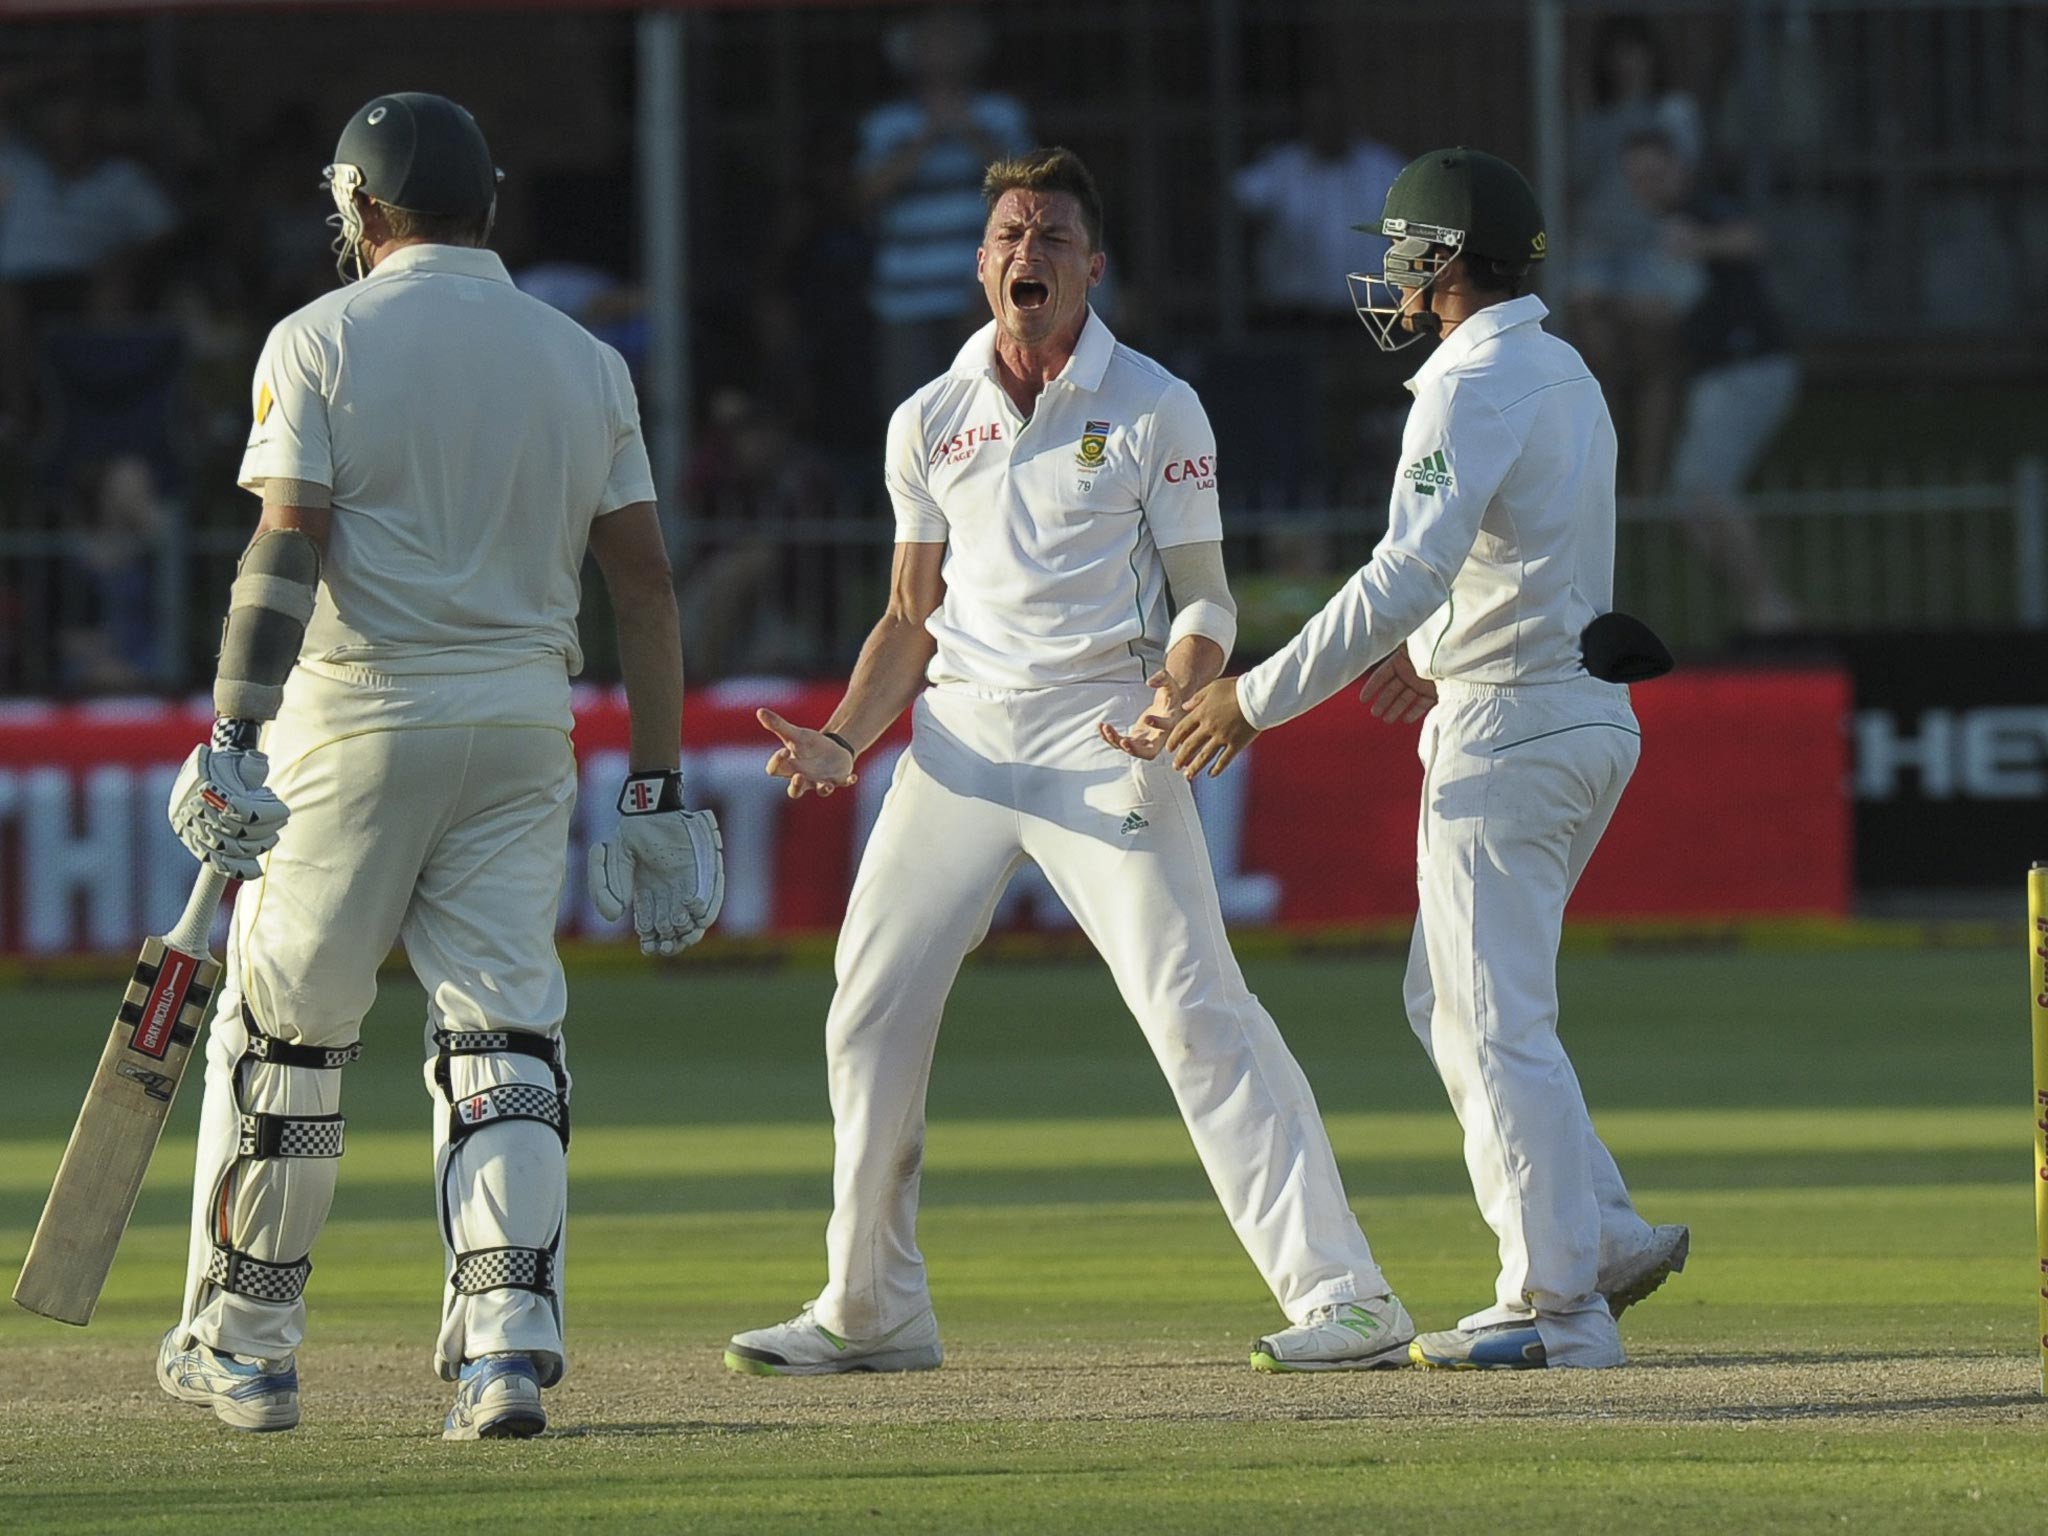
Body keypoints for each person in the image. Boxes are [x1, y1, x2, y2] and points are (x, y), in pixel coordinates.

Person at [725, 147, 1416, 1378]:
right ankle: (869, 1307)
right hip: (957, 738)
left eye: (1049, 238)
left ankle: (1347, 1295)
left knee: (1193, 1008)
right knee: (870, 1006)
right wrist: (842, 735)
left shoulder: (1154, 405)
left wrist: (1176, 690)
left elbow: (1204, 599)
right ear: (979, 261)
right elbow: (905, 617)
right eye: (1005, 235)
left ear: (1092, 267)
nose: (1023, 254)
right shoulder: (928, 418)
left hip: (1105, 727)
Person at [152, 92, 724, 1440]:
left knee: (288, 1036)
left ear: (360, 209)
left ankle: (246, 1344)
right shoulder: (586, 360)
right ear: (493, 200)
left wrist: (235, 729)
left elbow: (286, 546)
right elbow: (643, 587)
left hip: (351, 725)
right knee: (505, 1036)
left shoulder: (318, 340)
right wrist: (655, 781)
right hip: (524, 731)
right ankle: (508, 1346)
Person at [1167, 148, 1688, 1370]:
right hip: (1570, 714)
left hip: (1509, 733)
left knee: (1495, 1016)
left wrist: (1254, 699)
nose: (1390, 270)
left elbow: (1402, 569)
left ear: (1446, 260)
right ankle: (1597, 1230)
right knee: (1448, 999)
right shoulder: (1560, 368)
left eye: (1405, 247)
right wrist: (1439, 652)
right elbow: (1519, 562)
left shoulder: (1469, 386)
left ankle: (1554, 1308)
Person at [1622, 130, 1800, 631]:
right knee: (1691, 505)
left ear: (1679, 170)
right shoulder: (1660, 231)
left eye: (1655, 173)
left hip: (1749, 366)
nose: (1646, 186)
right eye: (1636, 178)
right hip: (1714, 375)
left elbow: (1751, 238)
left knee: (1702, 491)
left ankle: (1771, 610)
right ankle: (1758, 605)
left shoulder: (1700, 210)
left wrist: (1698, 242)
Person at [856, 8, 1033, 416]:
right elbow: (864, 194)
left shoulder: (1000, 114)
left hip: (985, 296)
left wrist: (970, 132)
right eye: (931, 41)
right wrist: (927, 137)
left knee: (990, 415)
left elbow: (1029, 192)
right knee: (912, 420)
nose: (944, 52)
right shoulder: (888, 123)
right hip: (904, 298)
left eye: (955, 39)